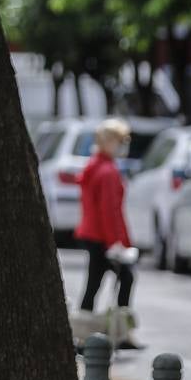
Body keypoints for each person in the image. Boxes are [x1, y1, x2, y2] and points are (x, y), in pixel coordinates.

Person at [73, 117, 142, 349]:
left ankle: (84, 333)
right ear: (110, 141)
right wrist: (118, 243)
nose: (123, 146)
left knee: (94, 283)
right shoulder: (108, 172)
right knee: (126, 278)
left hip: (92, 234)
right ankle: (121, 331)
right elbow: (110, 211)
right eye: (120, 141)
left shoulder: (94, 167)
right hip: (104, 237)